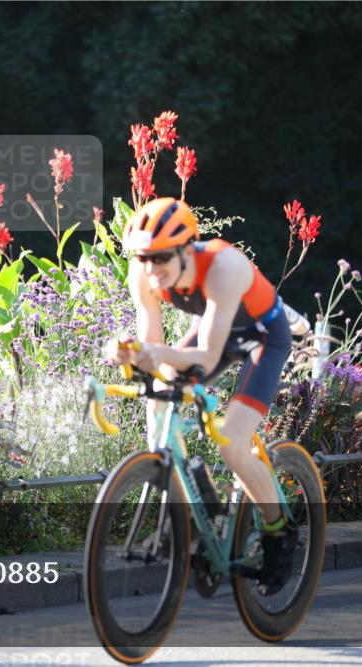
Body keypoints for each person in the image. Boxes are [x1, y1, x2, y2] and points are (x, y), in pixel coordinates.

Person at [105, 196, 297, 595]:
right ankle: (192, 499)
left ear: (186, 250)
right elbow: (154, 349)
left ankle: (279, 532)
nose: (151, 269)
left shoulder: (224, 267)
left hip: (263, 338)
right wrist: (129, 352)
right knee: (161, 394)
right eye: (143, 258)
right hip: (219, 332)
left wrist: (154, 354)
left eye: (161, 258)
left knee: (232, 442)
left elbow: (207, 355)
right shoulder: (143, 272)